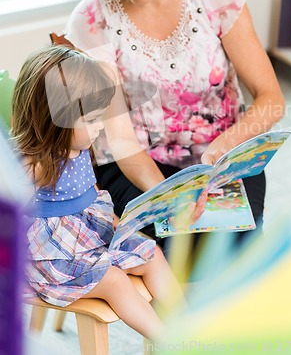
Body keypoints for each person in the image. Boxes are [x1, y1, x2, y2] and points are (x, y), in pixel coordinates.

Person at [64, 0, 285, 241]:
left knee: (233, 248)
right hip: (136, 165)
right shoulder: (92, 20)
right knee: (169, 248)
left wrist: (220, 152)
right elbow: (121, 140)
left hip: (222, 155)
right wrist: (171, 194)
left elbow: (271, 99)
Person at [11, 45, 185, 341]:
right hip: (53, 256)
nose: (99, 127)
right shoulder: (37, 165)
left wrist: (117, 222)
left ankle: (189, 325)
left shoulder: (78, 144)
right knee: (114, 280)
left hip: (88, 234)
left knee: (152, 252)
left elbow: (92, 191)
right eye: (91, 119)